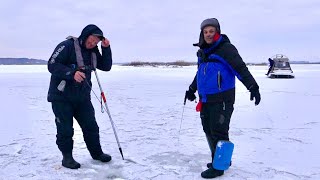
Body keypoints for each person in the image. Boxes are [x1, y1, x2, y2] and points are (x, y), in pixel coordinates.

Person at [185, 18, 261, 178]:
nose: (208, 35)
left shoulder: (226, 49)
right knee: (208, 129)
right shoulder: (203, 52)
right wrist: (192, 90)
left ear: (217, 31)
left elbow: (240, 68)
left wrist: (253, 87)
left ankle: (219, 167)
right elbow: (200, 74)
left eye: (211, 31)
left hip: (222, 99)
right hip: (205, 99)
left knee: (218, 131)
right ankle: (218, 159)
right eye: (205, 32)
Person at [47, 24, 113, 169]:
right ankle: (67, 158)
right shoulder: (67, 46)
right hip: (61, 97)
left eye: (96, 42)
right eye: (91, 40)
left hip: (82, 98)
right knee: (65, 129)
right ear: (85, 35)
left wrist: (106, 48)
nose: (93, 44)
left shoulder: (94, 52)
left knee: (91, 126)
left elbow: (106, 66)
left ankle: (96, 153)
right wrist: (71, 74)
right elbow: (52, 64)